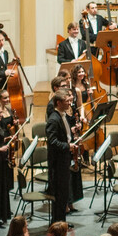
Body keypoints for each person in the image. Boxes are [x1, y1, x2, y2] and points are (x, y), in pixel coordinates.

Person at [45, 89, 76, 223]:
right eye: (67, 101)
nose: (69, 103)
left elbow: (63, 134)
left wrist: (72, 132)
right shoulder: (53, 119)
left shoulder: (62, 115)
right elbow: (52, 141)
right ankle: (57, 224)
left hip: (64, 160)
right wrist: (68, 146)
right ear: (58, 102)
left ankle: (61, 223)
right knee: (59, 196)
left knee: (63, 195)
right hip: (58, 163)